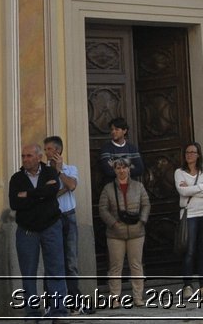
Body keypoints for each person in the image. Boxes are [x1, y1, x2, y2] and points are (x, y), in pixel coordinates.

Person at [9, 143, 66, 320]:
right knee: (28, 273)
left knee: (55, 270)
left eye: (29, 156)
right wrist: (40, 194)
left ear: (39, 157)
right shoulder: (17, 178)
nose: (25, 159)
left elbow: (52, 191)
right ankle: (32, 313)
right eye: (23, 156)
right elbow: (15, 203)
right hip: (27, 230)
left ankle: (59, 312)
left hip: (51, 226)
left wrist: (28, 194)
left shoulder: (50, 172)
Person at [43, 135, 91, 316]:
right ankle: (51, 302)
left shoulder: (70, 168)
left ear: (58, 151)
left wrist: (59, 172)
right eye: (45, 149)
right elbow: (46, 195)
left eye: (49, 149)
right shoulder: (42, 172)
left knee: (71, 262)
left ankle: (74, 301)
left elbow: (71, 185)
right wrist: (61, 187)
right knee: (52, 261)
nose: (46, 152)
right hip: (51, 218)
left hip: (69, 217)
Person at [97, 157, 150, 303]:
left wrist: (142, 221)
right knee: (115, 267)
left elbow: (146, 204)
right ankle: (114, 298)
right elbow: (102, 209)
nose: (121, 170)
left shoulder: (138, 186)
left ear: (129, 169)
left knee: (136, 265)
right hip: (115, 234)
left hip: (136, 232)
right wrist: (113, 223)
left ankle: (138, 297)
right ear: (114, 170)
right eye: (118, 168)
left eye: (124, 167)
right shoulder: (108, 189)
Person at [175, 141, 203, 298]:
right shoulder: (179, 172)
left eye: (192, 152)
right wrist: (201, 187)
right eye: (187, 152)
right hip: (189, 215)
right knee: (190, 251)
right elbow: (182, 190)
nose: (189, 155)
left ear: (198, 155)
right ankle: (187, 286)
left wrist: (193, 188)